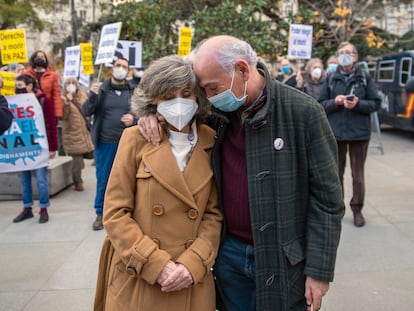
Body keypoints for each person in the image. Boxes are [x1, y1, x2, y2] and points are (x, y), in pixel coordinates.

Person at [138, 35, 345, 311]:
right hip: (230, 256)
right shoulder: (216, 113)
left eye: (213, 88)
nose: (209, 98)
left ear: (243, 70)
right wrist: (149, 114)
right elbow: (170, 105)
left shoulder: (303, 112)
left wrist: (319, 271)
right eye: (205, 91)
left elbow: (328, 200)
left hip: (284, 258)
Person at [94, 55, 223, 311]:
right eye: (168, 96)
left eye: (186, 93)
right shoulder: (135, 139)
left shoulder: (213, 139)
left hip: (191, 280)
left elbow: (214, 214)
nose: (179, 102)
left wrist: (193, 262)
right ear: (154, 101)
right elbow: (115, 212)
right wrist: (154, 264)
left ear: (198, 97)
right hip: (139, 276)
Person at [319, 41, 381, 228]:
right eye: (340, 52)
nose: (344, 55)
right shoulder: (330, 78)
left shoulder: (365, 78)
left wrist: (358, 104)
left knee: (358, 175)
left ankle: (357, 209)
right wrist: (335, 102)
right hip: (336, 134)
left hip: (358, 134)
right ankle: (336, 209)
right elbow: (320, 104)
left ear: (355, 56)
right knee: (335, 174)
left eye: (347, 52)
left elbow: (375, 103)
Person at [82, 57, 136, 231]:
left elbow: (143, 112)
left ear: (128, 71)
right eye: (118, 65)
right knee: (104, 179)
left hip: (128, 143)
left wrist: (134, 119)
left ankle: (127, 211)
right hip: (106, 143)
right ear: (112, 68)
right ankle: (101, 212)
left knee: (128, 178)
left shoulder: (133, 90)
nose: (120, 68)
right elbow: (87, 111)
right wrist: (92, 96)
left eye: (124, 67)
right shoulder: (101, 89)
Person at [13, 74, 58, 224]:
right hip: (23, 147)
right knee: (24, 180)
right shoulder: (14, 103)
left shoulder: (43, 100)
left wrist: (52, 148)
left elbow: (51, 125)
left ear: (30, 86)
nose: (17, 89)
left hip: (40, 148)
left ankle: (43, 209)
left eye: (19, 86)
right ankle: (27, 208)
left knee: (41, 180)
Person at [61, 77, 94, 192]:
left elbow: (88, 110)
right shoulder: (62, 99)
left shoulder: (82, 96)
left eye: (73, 83)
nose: (71, 85)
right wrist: (66, 102)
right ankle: (78, 182)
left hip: (84, 133)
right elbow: (62, 116)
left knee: (90, 154)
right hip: (72, 134)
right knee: (77, 160)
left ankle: (80, 168)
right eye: (68, 83)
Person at [22, 50, 63, 118]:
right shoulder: (26, 74)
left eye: (42, 57)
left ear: (45, 59)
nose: (40, 58)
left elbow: (56, 95)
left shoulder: (52, 75)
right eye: (37, 57)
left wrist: (58, 113)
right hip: (30, 108)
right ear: (33, 59)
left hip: (47, 108)